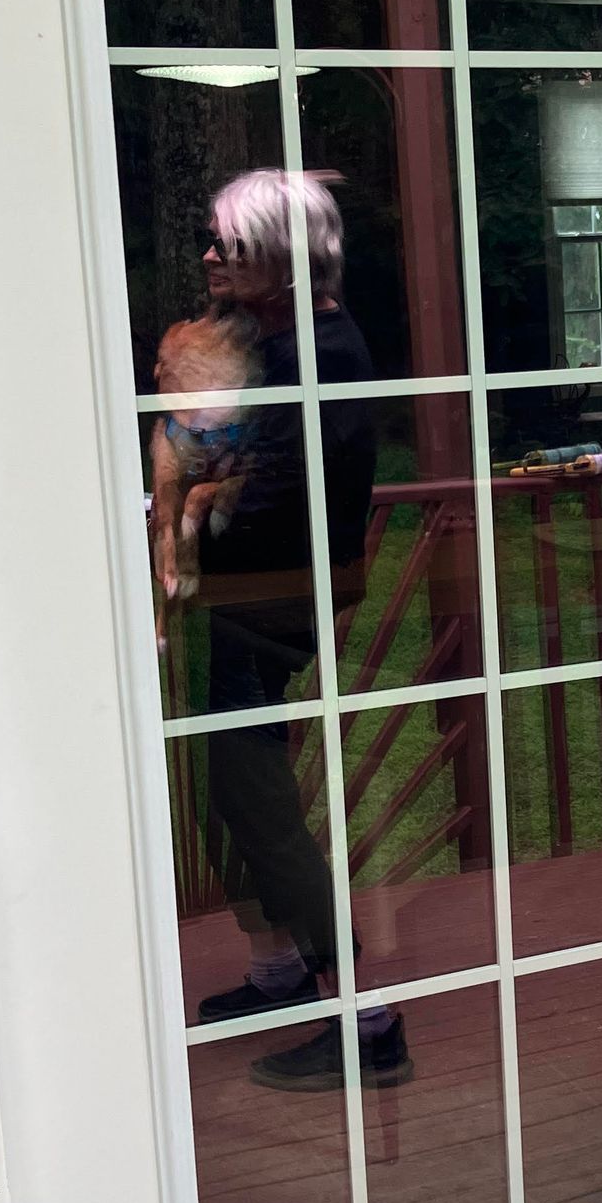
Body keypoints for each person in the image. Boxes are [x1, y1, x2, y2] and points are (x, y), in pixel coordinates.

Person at [171, 167, 411, 1093]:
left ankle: (369, 1022)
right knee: (234, 791)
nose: (209, 256)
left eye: (228, 245)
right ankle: (279, 976)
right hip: (245, 597)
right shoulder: (279, 339)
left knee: (259, 804)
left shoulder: (321, 353)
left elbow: (269, 499)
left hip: (271, 600)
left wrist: (180, 515)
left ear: (280, 254)